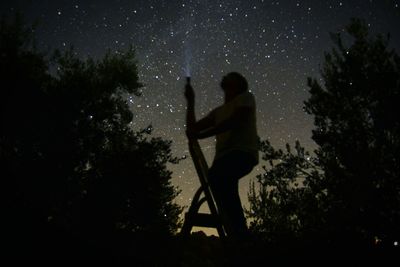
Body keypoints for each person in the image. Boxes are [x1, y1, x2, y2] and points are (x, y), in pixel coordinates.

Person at [184, 72, 259, 239]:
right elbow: (193, 129)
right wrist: (191, 102)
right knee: (223, 185)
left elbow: (235, 120)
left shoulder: (246, 98)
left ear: (239, 84)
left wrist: (202, 136)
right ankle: (237, 231)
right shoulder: (218, 112)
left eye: (231, 76)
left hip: (242, 153)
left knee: (219, 178)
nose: (226, 77)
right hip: (223, 158)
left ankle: (239, 230)